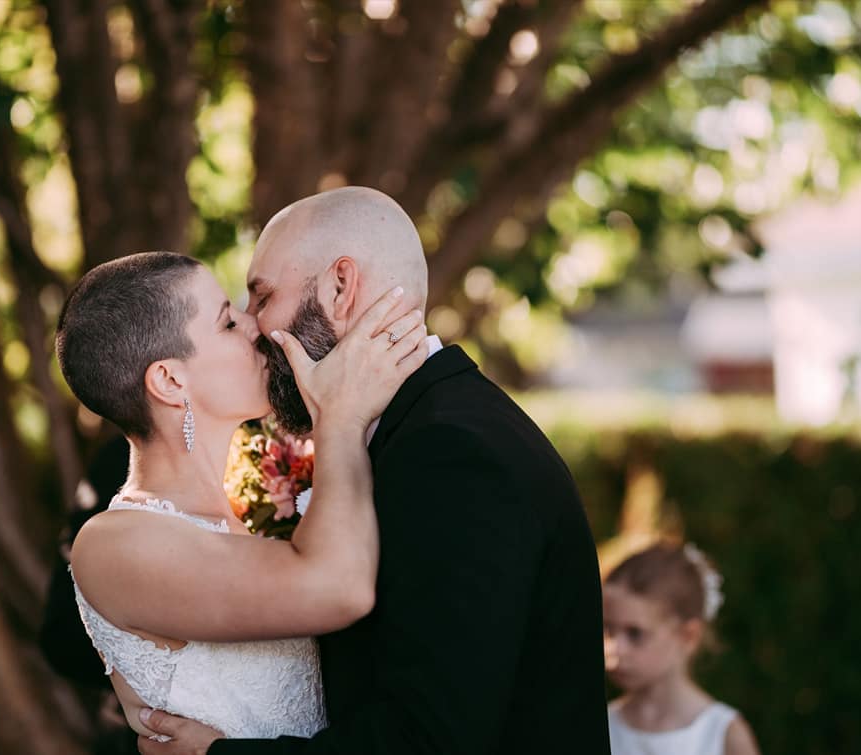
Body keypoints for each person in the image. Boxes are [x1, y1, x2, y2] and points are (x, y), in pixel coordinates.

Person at [138, 187, 611, 754]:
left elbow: (429, 739)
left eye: (262, 297)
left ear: (341, 287)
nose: (254, 328)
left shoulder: (452, 454)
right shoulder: (416, 432)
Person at [57, 251, 429, 739]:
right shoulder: (111, 545)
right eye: (227, 321)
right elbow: (340, 589)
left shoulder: (239, 515)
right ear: (170, 380)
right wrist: (339, 416)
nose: (255, 324)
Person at [603, 540, 761, 755]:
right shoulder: (600, 726)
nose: (614, 649)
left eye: (635, 634)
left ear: (687, 636)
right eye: (608, 630)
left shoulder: (724, 735)